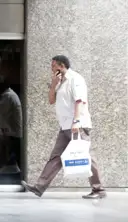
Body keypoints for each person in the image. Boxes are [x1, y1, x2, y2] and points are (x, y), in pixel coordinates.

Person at [22, 55, 106, 199]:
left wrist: (77, 121)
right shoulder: (61, 82)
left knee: (87, 156)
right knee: (56, 157)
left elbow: (80, 101)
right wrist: (54, 83)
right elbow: (51, 100)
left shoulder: (76, 79)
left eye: (53, 66)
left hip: (77, 124)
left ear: (61, 66)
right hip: (65, 125)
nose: (51, 68)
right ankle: (39, 187)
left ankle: (99, 190)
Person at [0, 83, 22, 174]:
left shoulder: (8, 96)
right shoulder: (9, 95)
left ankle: (12, 172)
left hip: (12, 132)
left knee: (11, 152)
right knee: (10, 151)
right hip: (11, 131)